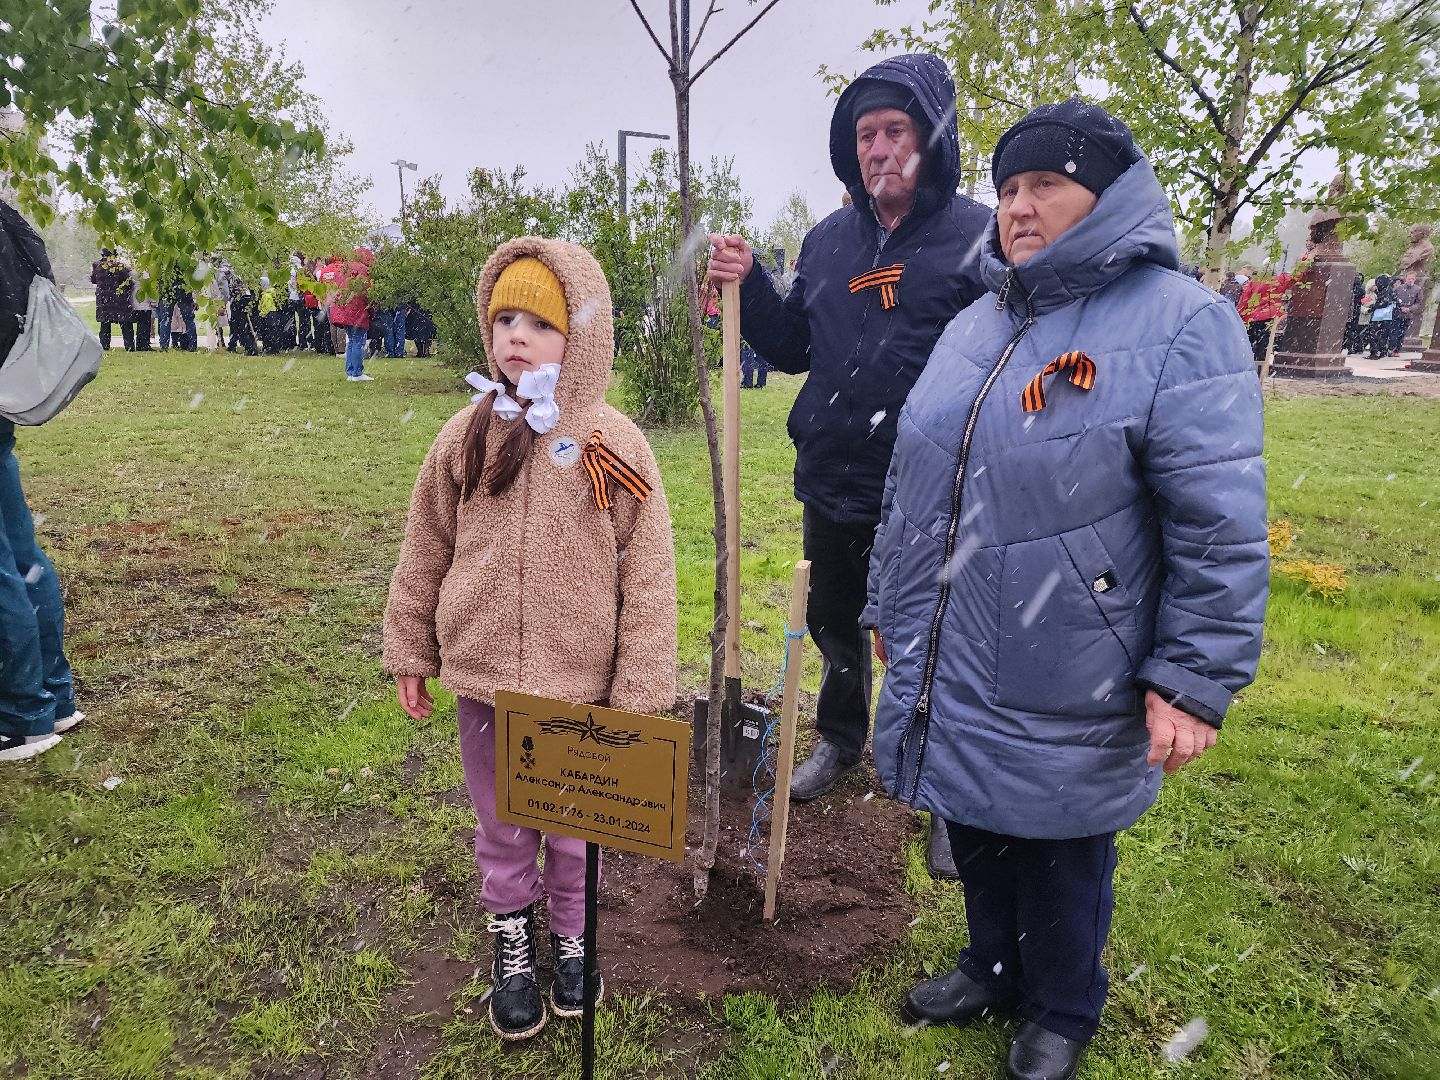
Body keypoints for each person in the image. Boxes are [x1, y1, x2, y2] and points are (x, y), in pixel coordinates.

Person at [867, 99, 1267, 1080]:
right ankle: (990, 967)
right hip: (959, 635)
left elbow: (1218, 522)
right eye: (1007, 188)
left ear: (1106, 193)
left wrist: (1192, 677)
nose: (1018, 206)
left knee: (1062, 845)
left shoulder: (1182, 326)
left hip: (1076, 654)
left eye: (1045, 183)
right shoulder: (978, 320)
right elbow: (917, 478)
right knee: (976, 815)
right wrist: (890, 601)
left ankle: (1061, 1006)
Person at [383, 238, 677, 1041]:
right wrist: (412, 647)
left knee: (576, 830)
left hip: (577, 688)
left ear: (580, 336)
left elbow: (646, 571)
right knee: (502, 822)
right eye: (504, 317)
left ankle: (575, 939)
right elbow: (426, 547)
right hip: (484, 682)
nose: (517, 335)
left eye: (540, 323)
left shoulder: (609, 445)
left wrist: (641, 691)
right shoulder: (466, 434)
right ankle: (514, 939)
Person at [706, 53, 991, 880]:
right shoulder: (828, 241)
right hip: (834, 475)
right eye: (865, 134)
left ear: (932, 140)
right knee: (834, 621)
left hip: (935, 492)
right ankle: (840, 739)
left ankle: (945, 793)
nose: (879, 148)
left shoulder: (980, 239)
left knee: (932, 640)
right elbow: (793, 345)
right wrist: (751, 280)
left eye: (896, 130)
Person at [1, 200, 85, 763]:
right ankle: (53, 700)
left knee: (7, 563)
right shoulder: (10, 219)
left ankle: (21, 712)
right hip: (4, 394)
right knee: (22, 554)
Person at [329, 248, 373, 381]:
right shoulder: (364, 271)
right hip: (357, 310)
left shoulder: (343, 268)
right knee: (358, 341)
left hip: (343, 309)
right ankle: (357, 373)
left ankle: (350, 372)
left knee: (353, 341)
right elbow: (367, 292)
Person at [1237, 269, 1289, 365]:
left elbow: (1245, 300)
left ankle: (1247, 364)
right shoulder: (1278, 281)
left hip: (1253, 317)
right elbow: (1294, 276)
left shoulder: (1253, 283)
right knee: (1264, 345)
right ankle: (1260, 367)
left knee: (1249, 343)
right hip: (1270, 316)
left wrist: (1240, 315)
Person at [90, 248, 134, 351]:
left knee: (105, 324)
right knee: (125, 324)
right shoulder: (120, 267)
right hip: (120, 299)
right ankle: (129, 346)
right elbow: (128, 282)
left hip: (104, 299)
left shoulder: (97, 266)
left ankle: (104, 345)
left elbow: (93, 280)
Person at [1391, 270, 1422, 355]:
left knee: (1402, 333)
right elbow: (1394, 299)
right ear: (1406, 279)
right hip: (1397, 313)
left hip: (1408, 314)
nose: (1410, 280)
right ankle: (1391, 348)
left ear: (1415, 279)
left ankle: (1397, 350)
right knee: (1394, 332)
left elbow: (1418, 303)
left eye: (1412, 279)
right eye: (1409, 278)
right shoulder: (1399, 288)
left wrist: (1410, 309)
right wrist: (1399, 306)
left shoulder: (1418, 289)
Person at [1366, 274, 1396, 359]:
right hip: (1385, 316)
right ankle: (1381, 351)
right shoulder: (1387, 290)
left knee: (1376, 334)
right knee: (1382, 335)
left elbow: (1384, 303)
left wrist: (1374, 306)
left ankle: (1376, 352)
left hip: (1380, 316)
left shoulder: (1385, 291)